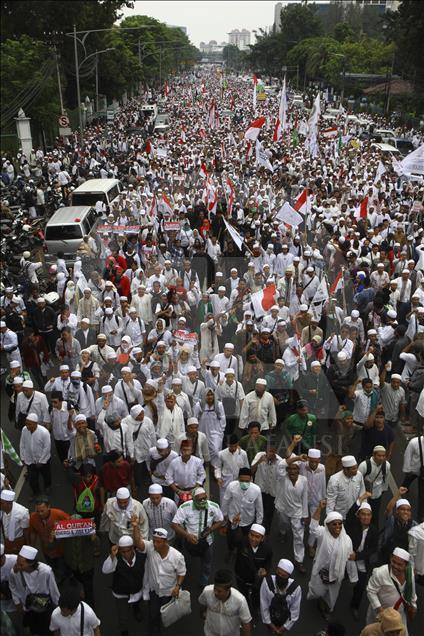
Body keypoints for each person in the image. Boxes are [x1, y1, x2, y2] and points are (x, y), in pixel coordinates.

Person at [133, 526, 186, 636]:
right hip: (154, 591)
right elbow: (138, 543)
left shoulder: (177, 556)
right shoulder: (150, 547)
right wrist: (135, 527)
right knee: (153, 615)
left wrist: (178, 586)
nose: (155, 544)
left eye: (158, 542)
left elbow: (181, 573)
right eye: (154, 541)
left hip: (169, 592)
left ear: (166, 541)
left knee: (166, 615)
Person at [307, 502, 355, 619]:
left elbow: (350, 559)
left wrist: (353, 576)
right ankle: (318, 599)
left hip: (336, 574)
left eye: (339, 523)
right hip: (321, 571)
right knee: (317, 592)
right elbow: (313, 527)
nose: (337, 526)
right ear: (328, 525)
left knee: (332, 596)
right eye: (334, 524)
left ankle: (326, 607)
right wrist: (319, 508)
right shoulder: (323, 533)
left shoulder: (347, 540)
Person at [172, 486, 224, 588]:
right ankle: (183, 580)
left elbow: (220, 520)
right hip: (189, 541)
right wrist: (187, 535)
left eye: (205, 498)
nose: (203, 501)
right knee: (185, 562)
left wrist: (211, 529)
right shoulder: (184, 507)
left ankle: (204, 581)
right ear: (193, 499)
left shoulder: (213, 506)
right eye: (200, 499)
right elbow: (174, 525)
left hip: (207, 541)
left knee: (207, 563)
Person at [8, 544, 60, 636]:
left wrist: (58, 610)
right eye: (17, 562)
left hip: (44, 607)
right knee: (34, 630)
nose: (17, 566)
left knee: (46, 630)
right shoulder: (15, 572)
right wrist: (17, 603)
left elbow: (54, 591)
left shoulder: (46, 571)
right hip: (28, 608)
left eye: (21, 564)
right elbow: (12, 586)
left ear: (31, 563)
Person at [366, 547, 417, 634]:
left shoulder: (410, 574)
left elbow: (412, 591)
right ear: (390, 558)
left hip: (399, 615)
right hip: (381, 615)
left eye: (400, 564)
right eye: (393, 562)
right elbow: (371, 591)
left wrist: (413, 606)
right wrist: (380, 611)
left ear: (406, 565)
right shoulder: (380, 572)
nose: (395, 566)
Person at [344, 494, 379, 620]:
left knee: (360, 587)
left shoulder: (374, 530)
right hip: (348, 559)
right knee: (340, 577)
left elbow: (373, 549)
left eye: (368, 514)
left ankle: (354, 606)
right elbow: (349, 515)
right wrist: (361, 498)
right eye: (363, 514)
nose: (365, 517)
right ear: (358, 516)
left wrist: (358, 556)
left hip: (362, 562)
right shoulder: (352, 525)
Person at [101, 533, 145, 633]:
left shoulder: (142, 557)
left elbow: (146, 575)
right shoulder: (116, 558)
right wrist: (112, 556)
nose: (125, 554)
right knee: (123, 617)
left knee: (136, 603)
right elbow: (105, 570)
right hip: (121, 594)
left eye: (128, 551)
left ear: (133, 548)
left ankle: (136, 608)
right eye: (123, 551)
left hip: (137, 590)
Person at [198, 568, 252, 636]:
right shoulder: (207, 591)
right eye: (215, 588)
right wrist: (203, 616)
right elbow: (203, 604)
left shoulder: (240, 600)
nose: (215, 592)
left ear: (228, 590)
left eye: (219, 591)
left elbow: (246, 623)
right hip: (210, 633)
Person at [222, 468, 264, 553]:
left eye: (247, 481)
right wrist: (224, 516)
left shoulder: (256, 490)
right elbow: (225, 501)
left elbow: (259, 507)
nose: (244, 483)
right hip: (232, 518)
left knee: (247, 538)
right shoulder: (231, 486)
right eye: (242, 480)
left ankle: (244, 551)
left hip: (248, 520)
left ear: (251, 479)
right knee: (230, 537)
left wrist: (258, 524)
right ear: (238, 479)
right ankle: (231, 550)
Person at [234, 523, 272, 614]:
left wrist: (265, 570)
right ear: (248, 534)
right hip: (241, 577)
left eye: (257, 537)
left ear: (262, 538)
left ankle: (255, 609)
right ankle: (244, 609)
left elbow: (268, 562)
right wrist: (233, 526)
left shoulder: (267, 549)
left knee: (257, 595)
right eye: (251, 535)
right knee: (243, 595)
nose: (253, 539)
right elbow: (232, 541)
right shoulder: (242, 542)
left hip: (256, 579)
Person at [259, 558, 302, 634]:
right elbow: (264, 603)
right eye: (278, 573)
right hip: (270, 618)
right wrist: (269, 623)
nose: (280, 576)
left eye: (284, 575)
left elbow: (295, 610)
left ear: (289, 576)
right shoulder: (267, 582)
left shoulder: (296, 589)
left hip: (285, 620)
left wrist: (284, 627)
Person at [19, 413, 52, 496]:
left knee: (46, 475)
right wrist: (23, 457)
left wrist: (41, 461)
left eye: (29, 424)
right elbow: (22, 444)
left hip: (43, 461)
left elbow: (47, 448)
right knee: (32, 480)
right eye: (26, 423)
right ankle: (36, 493)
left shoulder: (44, 432)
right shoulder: (24, 430)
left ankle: (47, 486)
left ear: (36, 423)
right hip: (30, 460)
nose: (27, 426)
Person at [358, 445, 391, 525]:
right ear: (373, 455)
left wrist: (383, 490)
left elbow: (386, 479)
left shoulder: (386, 465)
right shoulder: (364, 465)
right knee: (363, 515)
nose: (381, 458)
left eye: (383, 456)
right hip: (364, 495)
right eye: (379, 455)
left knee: (375, 515)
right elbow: (357, 481)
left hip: (377, 494)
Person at [326, 455, 365, 519]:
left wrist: (363, 509)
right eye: (353, 469)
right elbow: (331, 500)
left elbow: (362, 493)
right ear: (346, 470)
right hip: (340, 516)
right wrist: (330, 518)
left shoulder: (359, 475)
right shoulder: (334, 480)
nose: (356, 470)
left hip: (355, 514)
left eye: (356, 467)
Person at [0, 490, 29, 554]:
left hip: (17, 540)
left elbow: (26, 530)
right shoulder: (1, 510)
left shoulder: (22, 512)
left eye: (1, 503)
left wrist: (27, 544)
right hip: (4, 539)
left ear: (9, 504)